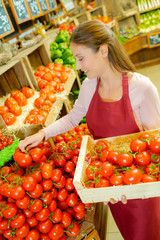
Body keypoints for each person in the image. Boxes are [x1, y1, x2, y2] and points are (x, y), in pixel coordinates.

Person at [19, 20, 160, 240]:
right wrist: (42, 134)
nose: (78, 66)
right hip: (109, 184)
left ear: (103, 50)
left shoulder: (141, 88)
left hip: (140, 190)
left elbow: (155, 148)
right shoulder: (89, 86)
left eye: (81, 57)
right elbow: (73, 118)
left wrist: (134, 185)